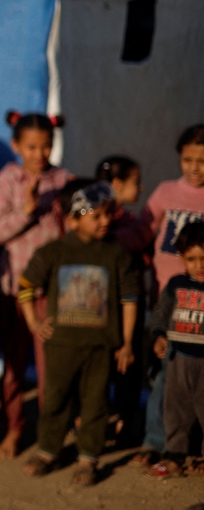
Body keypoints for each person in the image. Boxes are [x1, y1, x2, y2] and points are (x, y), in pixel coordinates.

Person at [19, 181, 139, 486]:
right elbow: (25, 285)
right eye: (96, 216)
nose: (105, 221)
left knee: (96, 404)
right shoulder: (54, 252)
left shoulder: (117, 254)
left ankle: (89, 457)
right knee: (56, 399)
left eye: (107, 214)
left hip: (100, 348)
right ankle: (48, 451)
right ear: (72, 219)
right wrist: (34, 323)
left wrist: (125, 342)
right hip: (60, 345)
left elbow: (129, 300)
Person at [0, 111, 71, 459]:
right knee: (14, 367)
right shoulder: (8, 180)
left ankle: (51, 432)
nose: (40, 153)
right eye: (32, 146)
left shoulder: (64, 179)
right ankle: (15, 428)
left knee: (53, 367)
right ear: (16, 145)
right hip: (16, 290)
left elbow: (78, 227)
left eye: (46, 146)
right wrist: (27, 210)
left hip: (55, 291)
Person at [130, 124, 204, 466]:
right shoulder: (165, 192)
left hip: (201, 316)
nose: (194, 167)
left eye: (202, 160)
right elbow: (141, 231)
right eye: (188, 159)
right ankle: (155, 442)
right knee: (163, 383)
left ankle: (191, 447)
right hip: (169, 304)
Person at [144, 221, 204, 478]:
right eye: (192, 259)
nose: (199, 266)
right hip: (177, 359)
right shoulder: (175, 284)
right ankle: (175, 456)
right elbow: (160, 314)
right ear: (181, 258)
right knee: (175, 411)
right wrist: (158, 336)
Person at [95, 155, 147, 445]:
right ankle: (95, 425)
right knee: (99, 369)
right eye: (135, 183)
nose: (140, 189)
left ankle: (125, 425)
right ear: (116, 185)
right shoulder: (113, 225)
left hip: (127, 307)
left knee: (127, 368)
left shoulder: (128, 222)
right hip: (103, 308)